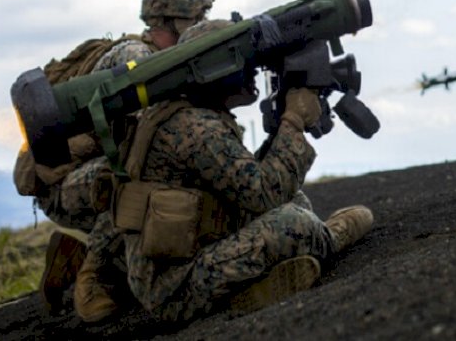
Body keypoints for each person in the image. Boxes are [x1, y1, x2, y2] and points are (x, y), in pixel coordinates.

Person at [79, 18, 374, 323]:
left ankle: (253, 291)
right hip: (175, 288)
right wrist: (294, 121)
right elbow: (263, 193)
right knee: (295, 223)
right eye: (244, 63)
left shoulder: (184, 113)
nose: (254, 72)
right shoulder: (195, 127)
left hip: (184, 264)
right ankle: (331, 238)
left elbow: (243, 180)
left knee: (295, 199)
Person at [27, 0, 215, 313]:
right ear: (168, 21)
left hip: (100, 170)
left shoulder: (169, 65)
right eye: (196, 20)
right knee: (147, 165)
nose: (202, 27)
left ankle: (75, 258)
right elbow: (151, 140)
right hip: (67, 182)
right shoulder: (136, 57)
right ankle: (93, 274)